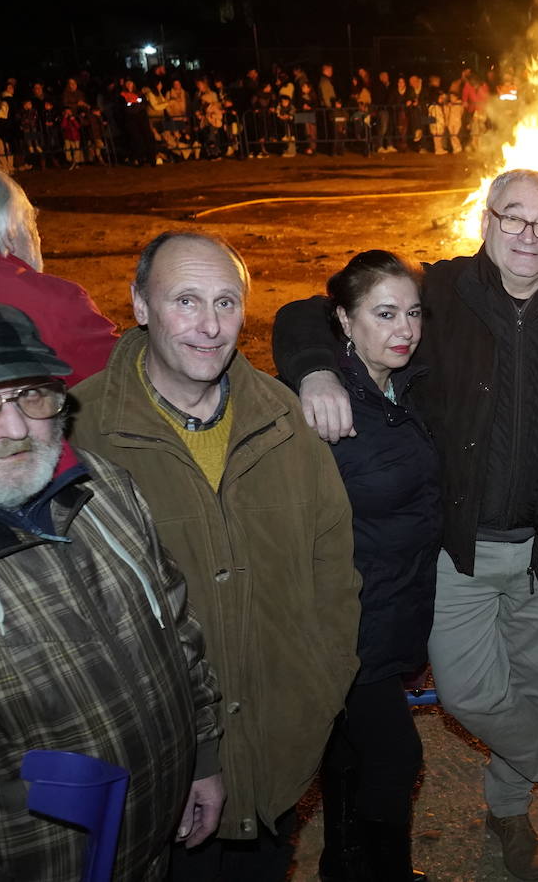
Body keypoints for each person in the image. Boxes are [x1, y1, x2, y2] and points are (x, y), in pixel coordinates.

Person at [272, 168, 538, 881]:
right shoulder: (435, 293)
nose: (529, 234)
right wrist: (314, 372)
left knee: (524, 692)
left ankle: (506, 812)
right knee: (471, 693)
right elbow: (307, 313)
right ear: (487, 220)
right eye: (514, 217)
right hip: (459, 549)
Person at [69, 231, 361, 882]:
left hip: (273, 756)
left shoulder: (284, 422)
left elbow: (332, 574)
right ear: (140, 305)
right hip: (150, 774)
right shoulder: (79, 432)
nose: (209, 326)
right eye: (187, 301)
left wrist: (317, 695)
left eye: (227, 303)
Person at [0, 298, 222, 880]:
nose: (17, 428)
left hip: (153, 844)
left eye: (32, 395)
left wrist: (203, 755)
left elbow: (177, 626)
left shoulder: (106, 490)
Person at [302, 251, 439, 882]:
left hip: (390, 609)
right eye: (383, 314)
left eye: (411, 312)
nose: (403, 328)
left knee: (350, 753)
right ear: (345, 322)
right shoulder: (324, 407)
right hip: (344, 622)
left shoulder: (403, 384)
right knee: (394, 758)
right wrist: (311, 372)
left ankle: (343, 865)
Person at [0, 160, 118, 382]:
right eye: (29, 223)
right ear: (9, 232)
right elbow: (124, 379)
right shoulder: (51, 301)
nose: (36, 237)